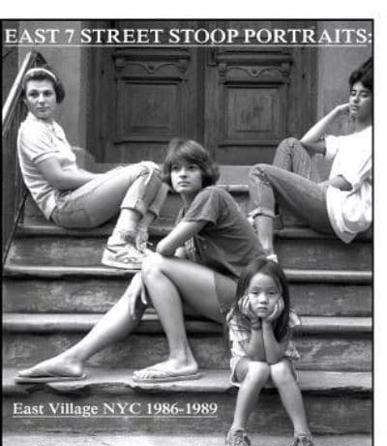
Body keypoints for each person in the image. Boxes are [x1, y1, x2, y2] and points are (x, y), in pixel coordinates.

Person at [16, 138, 265, 384]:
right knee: (148, 275)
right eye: (176, 169)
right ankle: (73, 358)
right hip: (224, 298)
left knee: (153, 265)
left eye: (191, 168)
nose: (182, 175)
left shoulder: (212, 196)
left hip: (251, 298)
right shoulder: (184, 213)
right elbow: (178, 263)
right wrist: (143, 276)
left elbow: (166, 250)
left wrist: (148, 267)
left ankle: (181, 359)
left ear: (205, 172)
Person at [17, 65, 168, 269]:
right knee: (146, 170)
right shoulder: (33, 131)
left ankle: (138, 238)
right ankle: (119, 246)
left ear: (56, 97)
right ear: (25, 100)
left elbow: (75, 174)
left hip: (77, 198)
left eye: (47, 93)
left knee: (161, 177)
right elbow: (58, 179)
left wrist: (111, 178)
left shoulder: (52, 127)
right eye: (33, 94)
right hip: (63, 206)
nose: (41, 100)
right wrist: (108, 177)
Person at [248, 57, 372, 260]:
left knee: (260, 172)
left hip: (339, 211)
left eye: (364, 95)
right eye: (352, 94)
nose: (355, 100)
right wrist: (335, 112)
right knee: (289, 144)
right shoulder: (350, 139)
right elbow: (304, 143)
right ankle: (274, 217)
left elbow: (347, 182)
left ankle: (266, 252)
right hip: (327, 200)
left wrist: (307, 190)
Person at [225, 258, 313, 446]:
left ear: (281, 295)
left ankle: (303, 435)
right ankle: (236, 431)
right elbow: (256, 357)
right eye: (255, 293)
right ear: (244, 295)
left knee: (280, 367)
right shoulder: (237, 317)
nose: (263, 300)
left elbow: (274, 357)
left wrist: (267, 325)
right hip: (247, 365)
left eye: (271, 293)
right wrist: (255, 324)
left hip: (278, 365)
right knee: (258, 368)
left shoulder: (287, 316)